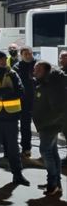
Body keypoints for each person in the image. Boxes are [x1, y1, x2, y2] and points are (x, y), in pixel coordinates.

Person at [0, 50, 29, 186]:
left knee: (13, 147)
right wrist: (8, 91)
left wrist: (2, 94)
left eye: (4, 59)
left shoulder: (13, 73)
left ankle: (17, 174)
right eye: (1, 59)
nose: (3, 61)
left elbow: (21, 91)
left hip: (11, 116)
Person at [32, 61, 67, 196]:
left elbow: (59, 109)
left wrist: (45, 123)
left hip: (49, 125)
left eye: (38, 69)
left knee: (45, 151)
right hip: (47, 124)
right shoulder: (45, 82)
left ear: (46, 70)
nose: (35, 70)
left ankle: (53, 184)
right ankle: (55, 183)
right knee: (52, 152)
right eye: (35, 68)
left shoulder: (52, 85)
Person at [12, 46, 36, 158]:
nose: (28, 56)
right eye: (25, 54)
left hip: (38, 101)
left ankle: (48, 149)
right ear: (21, 55)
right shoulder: (17, 67)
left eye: (29, 53)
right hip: (23, 101)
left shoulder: (38, 65)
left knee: (44, 125)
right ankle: (26, 148)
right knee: (24, 126)